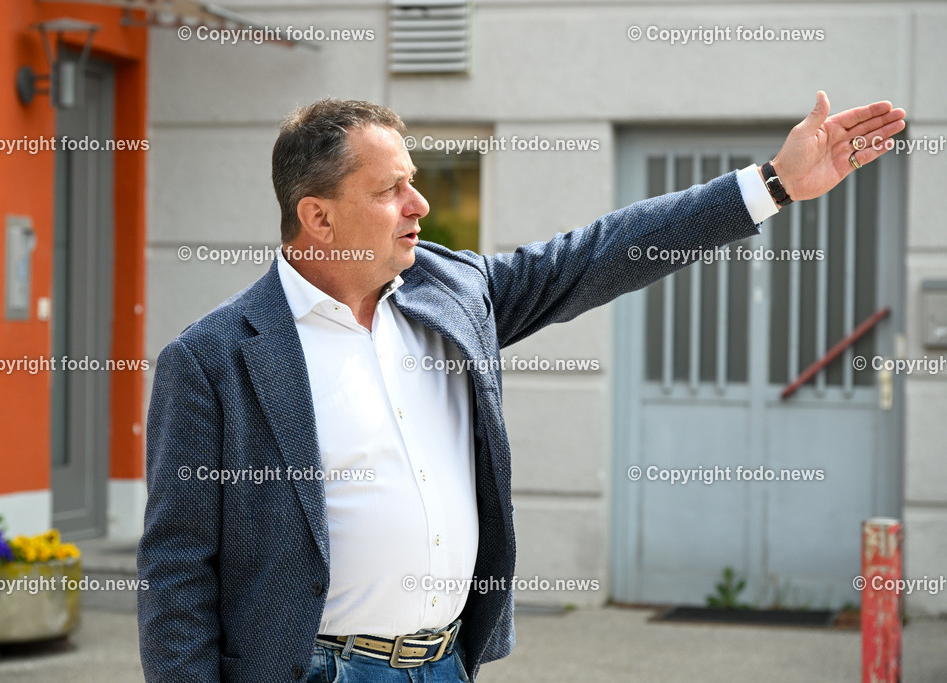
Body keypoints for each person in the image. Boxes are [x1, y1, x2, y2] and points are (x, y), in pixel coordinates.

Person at [137, 93, 905, 682]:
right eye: (390, 189)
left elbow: (600, 253)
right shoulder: (213, 360)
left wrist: (770, 183)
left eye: (414, 182)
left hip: (444, 663)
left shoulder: (453, 290)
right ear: (318, 217)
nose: (420, 205)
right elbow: (175, 570)